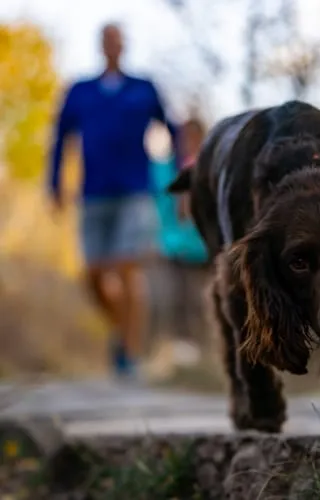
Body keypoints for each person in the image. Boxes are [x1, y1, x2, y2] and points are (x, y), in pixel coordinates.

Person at [48, 23, 183, 379]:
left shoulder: (143, 89)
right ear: (101, 46)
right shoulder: (80, 91)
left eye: (118, 40)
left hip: (135, 191)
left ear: (124, 46)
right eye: (107, 40)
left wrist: (184, 179)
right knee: (93, 275)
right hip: (93, 193)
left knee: (126, 268)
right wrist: (54, 184)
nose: (113, 46)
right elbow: (61, 138)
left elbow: (173, 130)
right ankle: (123, 333)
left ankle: (130, 354)